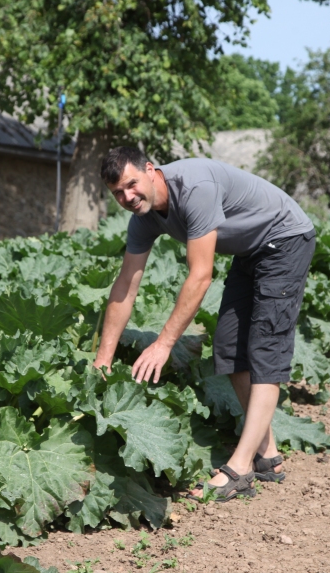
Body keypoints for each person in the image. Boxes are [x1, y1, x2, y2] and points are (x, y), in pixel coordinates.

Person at [92, 147, 317, 502]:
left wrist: (164, 343)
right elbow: (125, 286)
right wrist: (102, 361)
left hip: (285, 239)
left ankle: (240, 469)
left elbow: (200, 276)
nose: (127, 197)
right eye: (118, 192)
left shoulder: (194, 187)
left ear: (150, 170)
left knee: (265, 351)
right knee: (229, 346)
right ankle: (267, 454)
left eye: (132, 184)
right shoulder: (144, 217)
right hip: (250, 250)